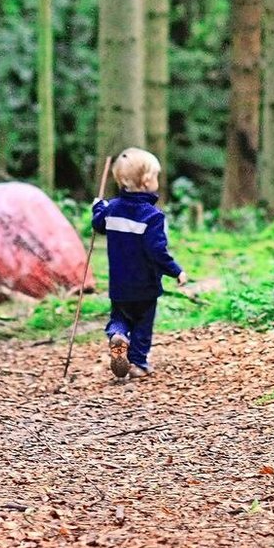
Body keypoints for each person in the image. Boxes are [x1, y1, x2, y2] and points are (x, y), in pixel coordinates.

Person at [91, 148, 187, 380]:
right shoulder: (152, 216)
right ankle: (138, 363)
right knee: (143, 324)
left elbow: (98, 225)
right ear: (145, 181)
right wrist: (176, 271)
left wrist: (98, 208)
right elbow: (156, 251)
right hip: (145, 285)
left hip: (119, 285)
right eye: (155, 176)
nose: (157, 180)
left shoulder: (112, 209)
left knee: (119, 317)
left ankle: (118, 335)